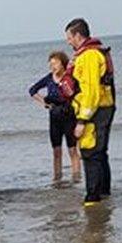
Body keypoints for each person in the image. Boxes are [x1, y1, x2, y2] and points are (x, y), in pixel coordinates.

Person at [65, 18, 116, 206]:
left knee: (90, 153)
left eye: (69, 38)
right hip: (101, 108)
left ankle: (93, 199)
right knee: (100, 153)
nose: (69, 42)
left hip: (95, 112)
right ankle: (104, 194)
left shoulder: (89, 57)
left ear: (78, 36)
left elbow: (91, 92)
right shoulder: (93, 53)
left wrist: (81, 121)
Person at [28, 51, 82, 182]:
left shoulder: (70, 77)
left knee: (73, 150)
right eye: (50, 64)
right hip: (54, 117)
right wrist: (44, 103)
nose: (53, 66)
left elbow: (80, 93)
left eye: (55, 63)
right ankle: (57, 179)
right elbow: (32, 90)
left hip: (69, 115)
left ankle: (76, 178)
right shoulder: (48, 78)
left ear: (63, 64)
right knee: (56, 151)